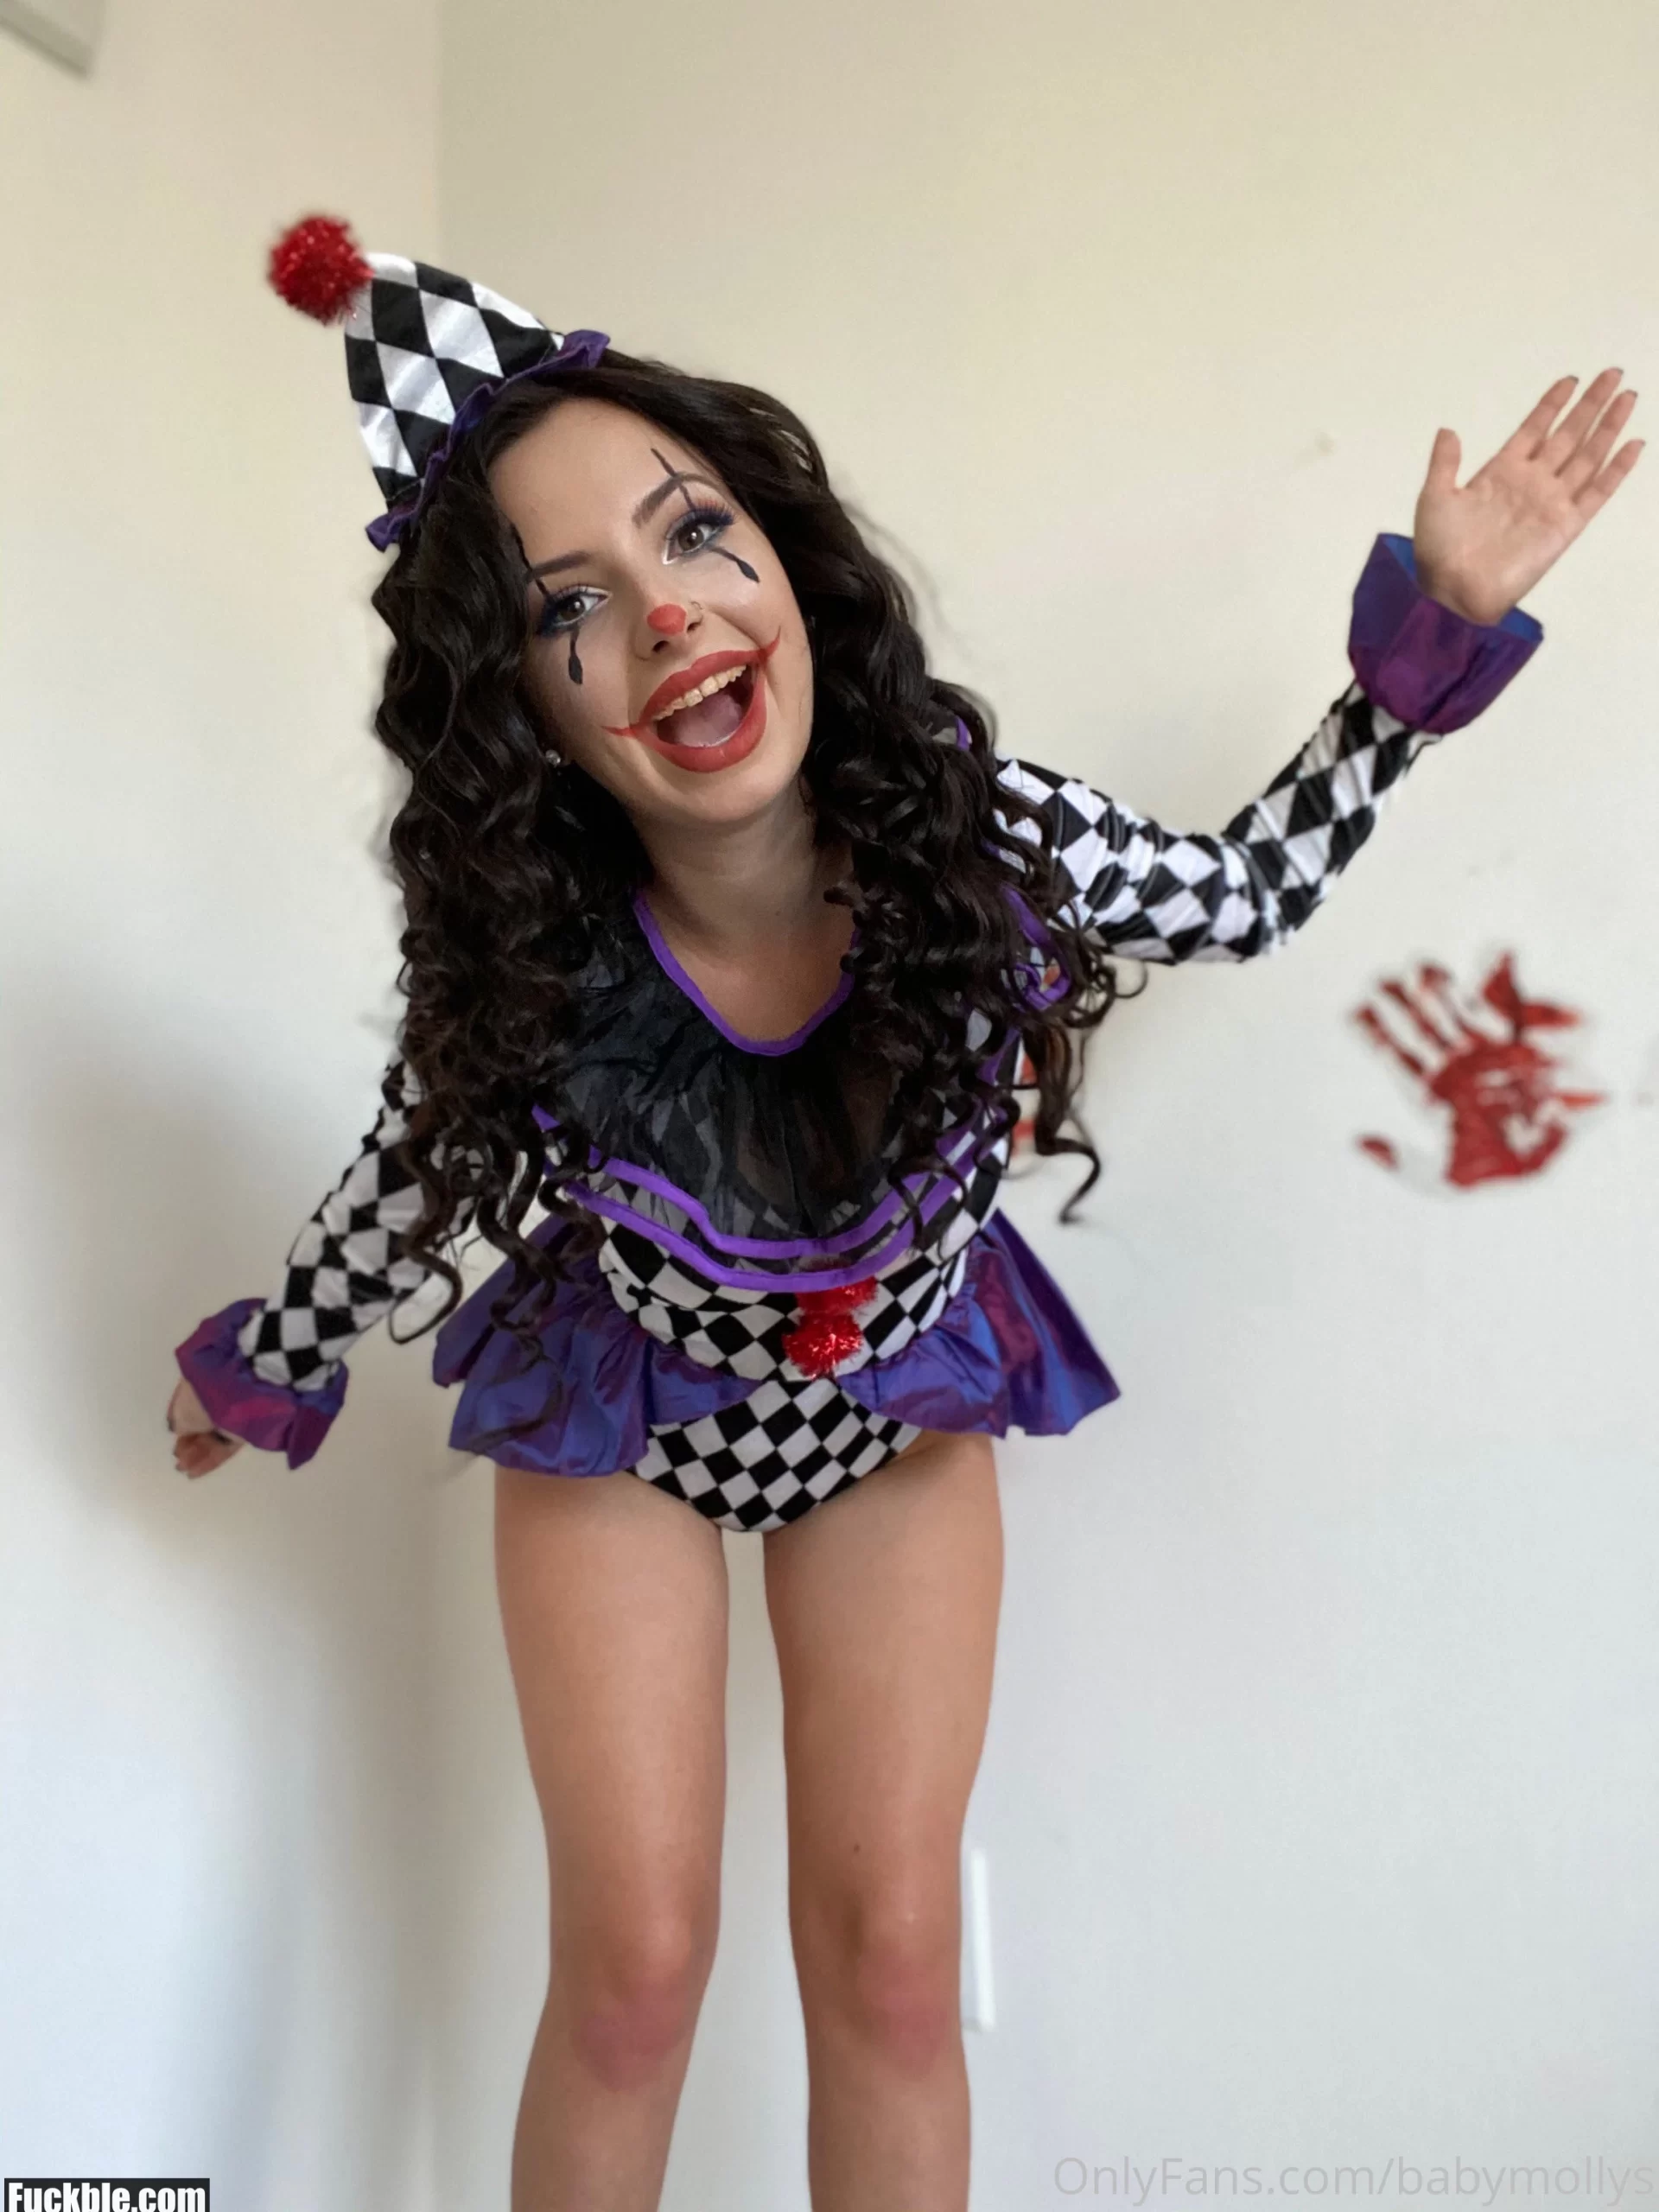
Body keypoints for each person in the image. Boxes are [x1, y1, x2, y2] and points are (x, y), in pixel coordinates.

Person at [165, 215, 1640, 2211]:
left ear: (780, 553)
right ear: (517, 702)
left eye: (694, 532)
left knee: (891, 1954)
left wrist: (1421, 650)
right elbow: (406, 1177)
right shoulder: (540, 968)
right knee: (634, 1972)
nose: (669, 615)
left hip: (900, 1399)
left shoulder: (982, 831)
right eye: (569, 601)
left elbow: (1244, 892)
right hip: (629, 1410)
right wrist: (271, 1356)